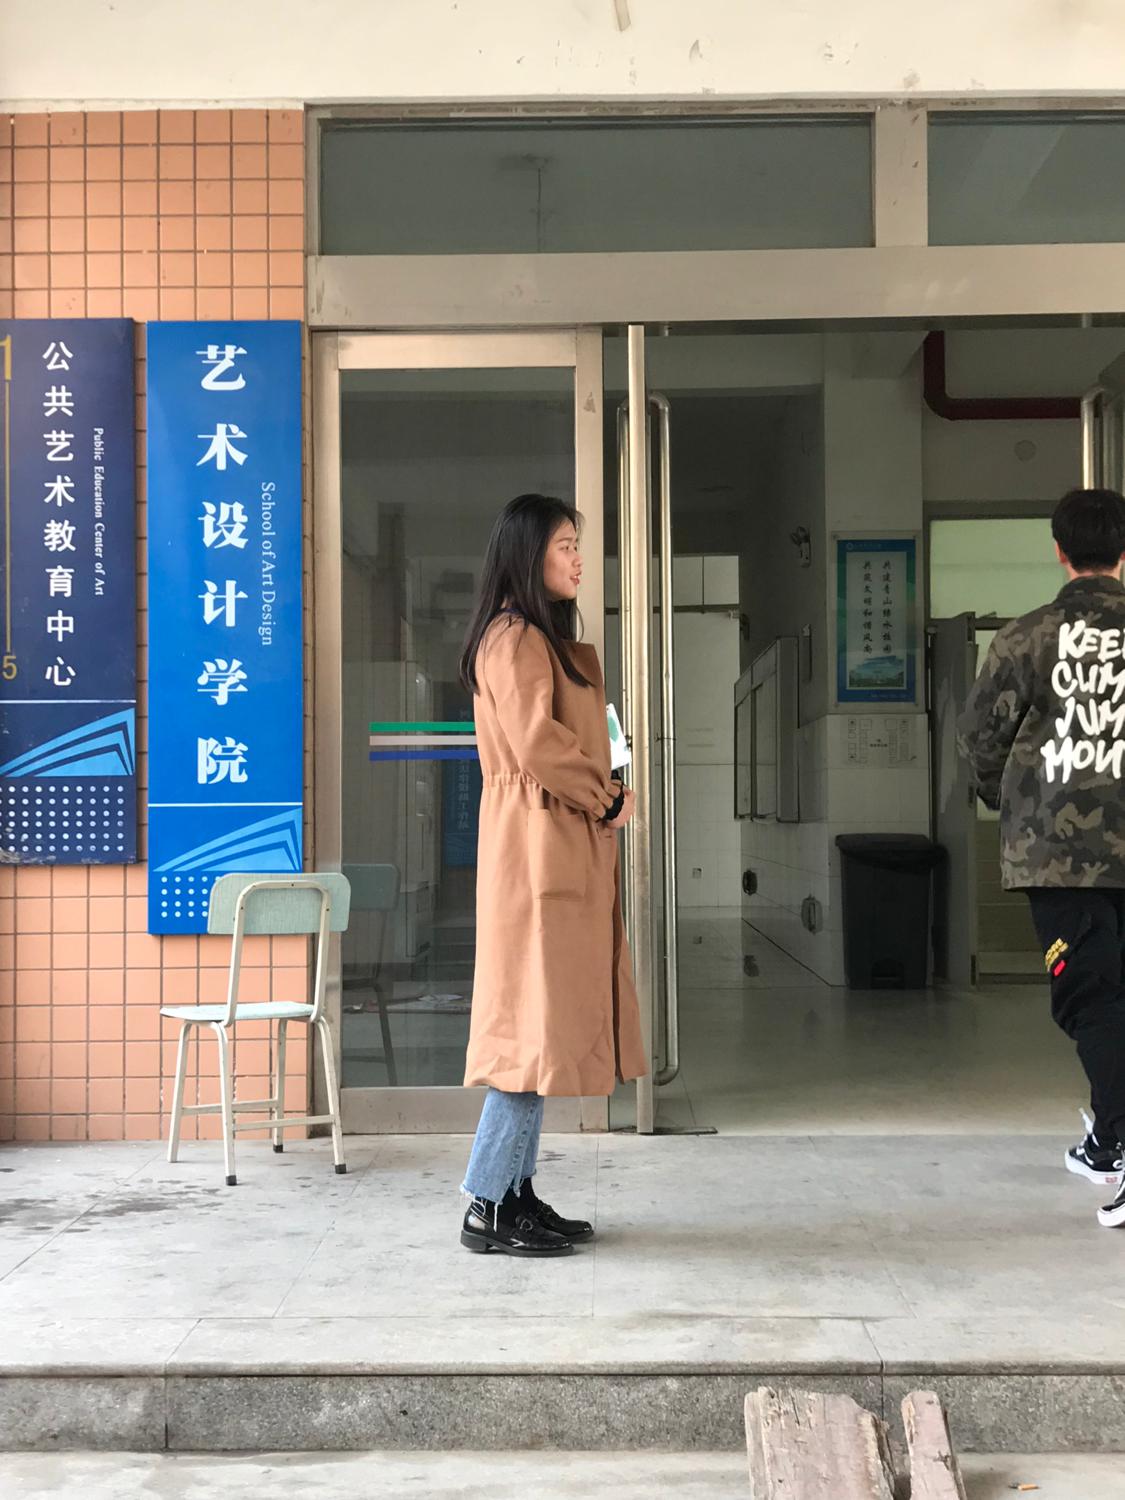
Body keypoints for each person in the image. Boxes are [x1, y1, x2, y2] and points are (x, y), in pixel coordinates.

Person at [456, 493, 647, 1257]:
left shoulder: (530, 637)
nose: (577, 559)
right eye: (565, 544)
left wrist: (606, 788)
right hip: (535, 849)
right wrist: (604, 796)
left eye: (576, 544)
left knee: (537, 1032)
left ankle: (516, 1194)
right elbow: (538, 744)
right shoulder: (513, 638)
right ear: (527, 553)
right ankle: (486, 1205)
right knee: (525, 1036)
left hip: (549, 842)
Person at [957, 486, 1125, 1229]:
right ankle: (1106, 1140)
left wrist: (1012, 803)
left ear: (1058, 550)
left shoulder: (1025, 638)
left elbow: (979, 741)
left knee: (1093, 998)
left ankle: (1117, 1143)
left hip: (1059, 855)